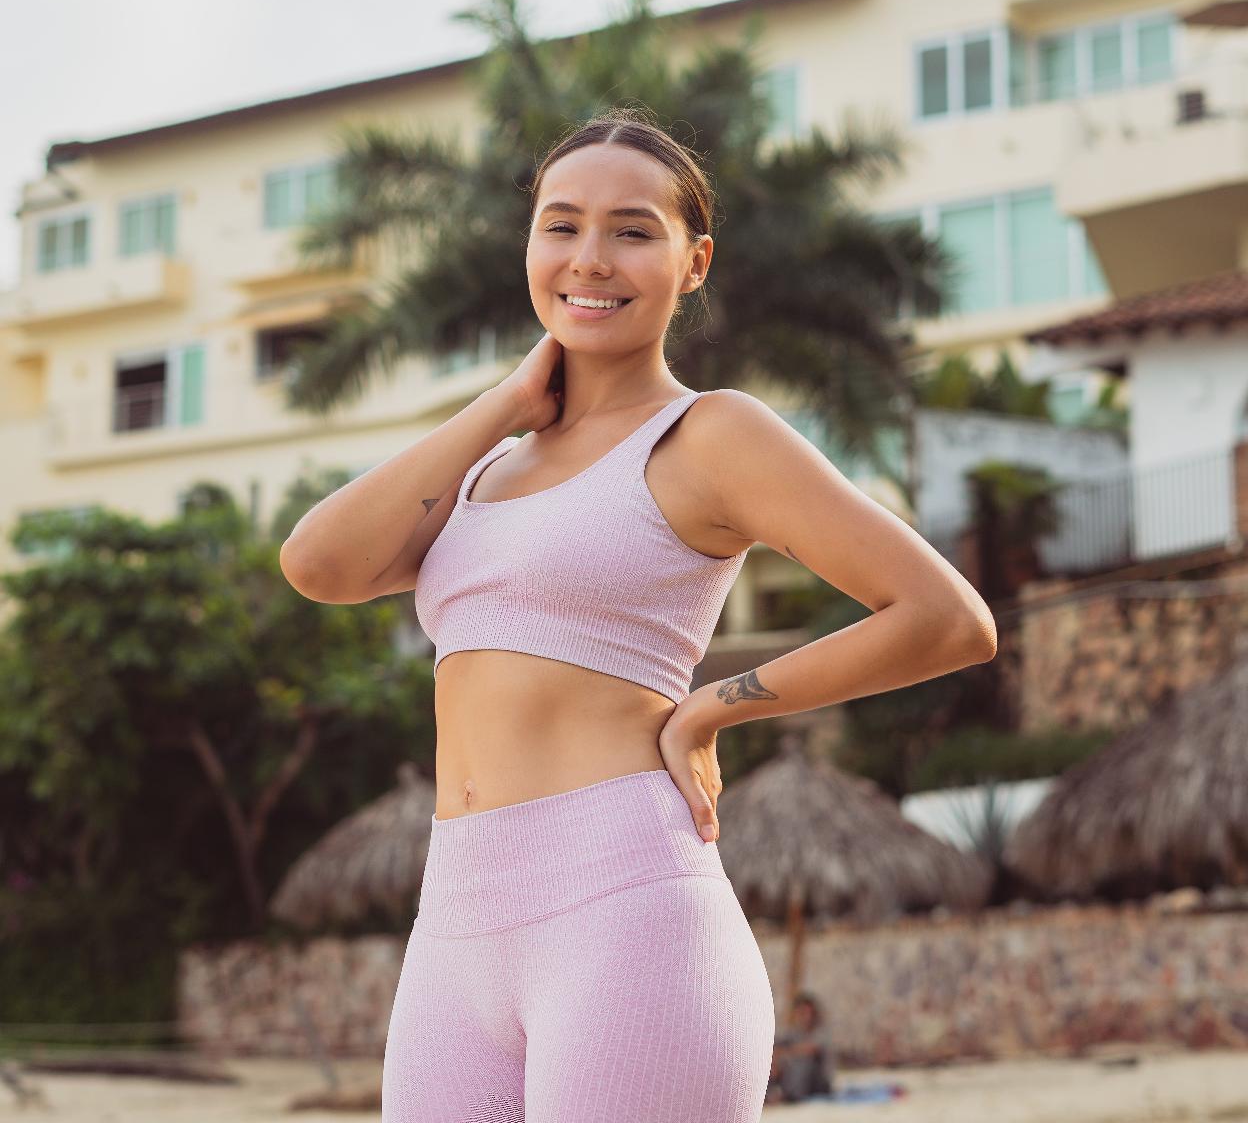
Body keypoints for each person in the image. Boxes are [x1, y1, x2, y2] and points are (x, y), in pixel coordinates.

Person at [279, 106, 997, 1122]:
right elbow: (317, 564)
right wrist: (504, 404)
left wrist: (713, 707)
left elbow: (946, 618)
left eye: (632, 230)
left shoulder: (710, 435)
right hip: (455, 928)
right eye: (562, 225)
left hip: (627, 910)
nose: (591, 258)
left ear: (693, 262)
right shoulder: (483, 467)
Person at [769, 992, 835, 1103]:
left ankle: (789, 1096)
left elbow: (810, 1049)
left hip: (818, 1083)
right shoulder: (794, 1033)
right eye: (801, 1013)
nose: (805, 1017)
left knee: (800, 1063)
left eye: (807, 1013)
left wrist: (783, 1053)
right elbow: (776, 1045)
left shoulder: (821, 1032)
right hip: (797, 1083)